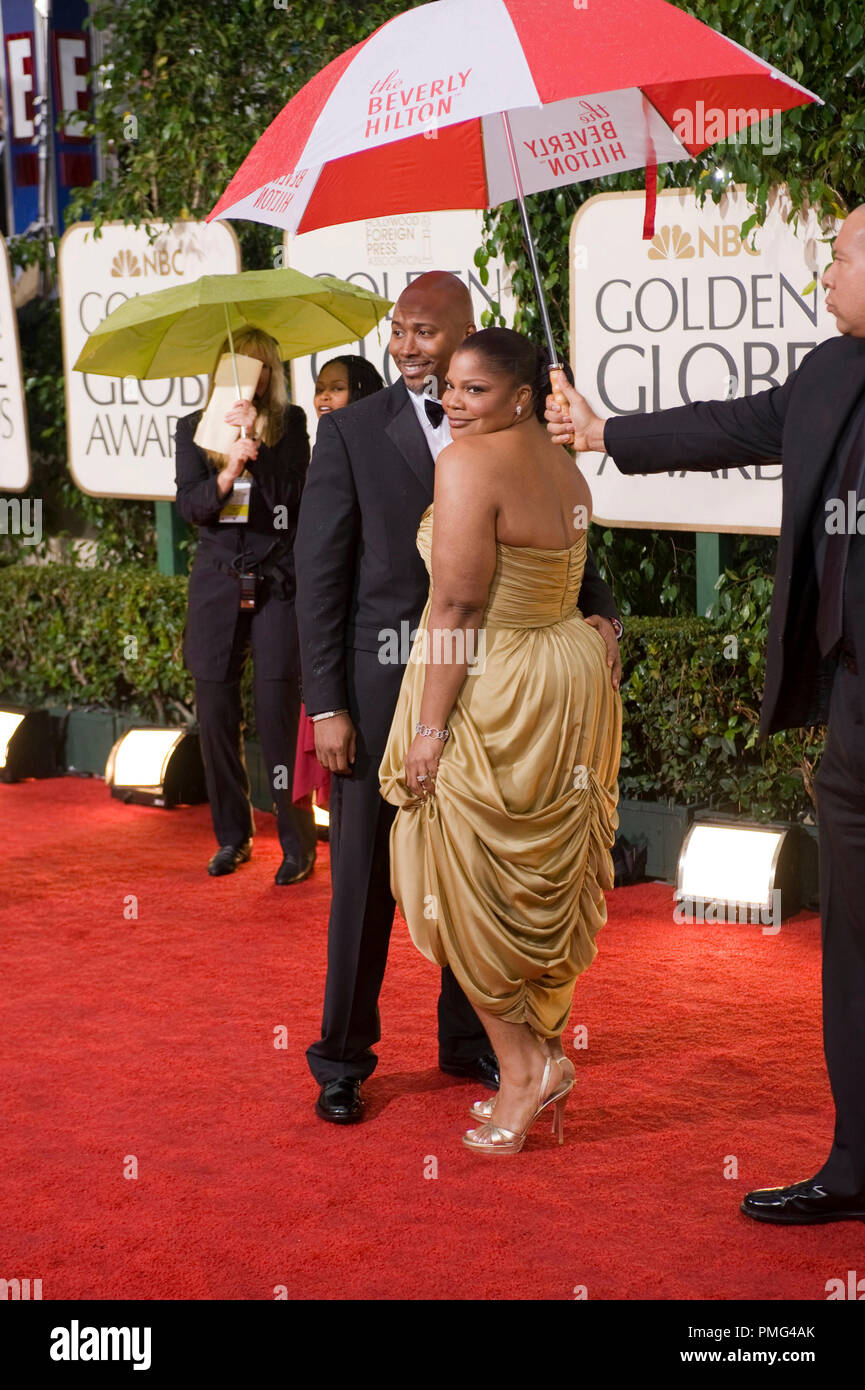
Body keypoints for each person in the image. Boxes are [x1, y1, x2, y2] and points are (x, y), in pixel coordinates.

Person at [546, 205, 865, 1223]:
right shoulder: (829, 373)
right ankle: (855, 1161)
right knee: (853, 946)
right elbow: (736, 422)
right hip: (855, 711)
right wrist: (602, 433)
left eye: (840, 255)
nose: (823, 272)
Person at [295, 272, 624, 1125]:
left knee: (477, 868)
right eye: (397, 330)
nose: (407, 347)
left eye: (426, 333)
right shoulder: (353, 432)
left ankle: (469, 1041)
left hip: (496, 689)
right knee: (367, 880)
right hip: (382, 691)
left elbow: (573, 543)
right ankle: (342, 1058)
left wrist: (600, 614)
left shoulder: (529, 439)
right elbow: (320, 573)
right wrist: (326, 702)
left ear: (467, 336)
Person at [379, 328, 622, 1154]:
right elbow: (569, 576)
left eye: (473, 390)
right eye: (448, 386)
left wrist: (428, 728)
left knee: (463, 876)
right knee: (531, 880)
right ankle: (540, 1053)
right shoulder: (565, 465)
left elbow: (454, 608)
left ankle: (522, 1069)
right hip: (566, 672)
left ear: (521, 396)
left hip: (495, 684)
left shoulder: (465, 464)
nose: (451, 401)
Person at [174, 327, 316, 885]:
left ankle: (296, 844)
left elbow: (296, 502)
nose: (250, 380)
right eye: (240, 367)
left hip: (277, 580)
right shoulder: (193, 429)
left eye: (261, 369)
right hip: (216, 585)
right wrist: (227, 469)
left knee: (278, 717)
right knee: (214, 714)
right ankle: (233, 838)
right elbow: (192, 506)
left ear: (273, 376)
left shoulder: (291, 425)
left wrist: (257, 454)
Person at [293, 355, 385, 819]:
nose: (324, 397)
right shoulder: (323, 445)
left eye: (337, 388)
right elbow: (319, 568)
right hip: (344, 650)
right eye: (320, 387)